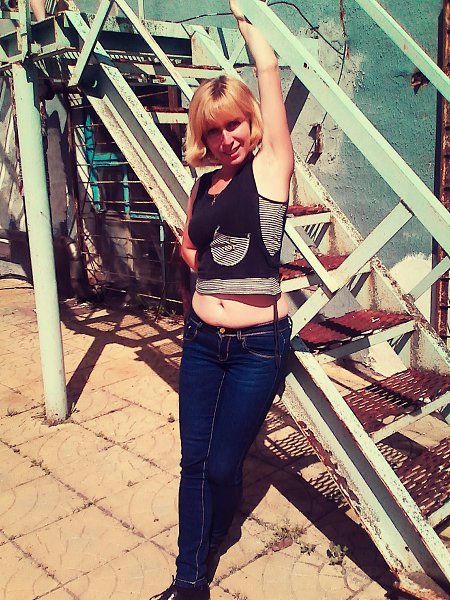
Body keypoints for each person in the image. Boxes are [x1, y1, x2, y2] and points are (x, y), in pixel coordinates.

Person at [158, 1, 294, 598]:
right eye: (212, 130)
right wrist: (199, 263)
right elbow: (192, 247)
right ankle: (189, 579)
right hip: (200, 342)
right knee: (192, 463)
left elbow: (269, 72)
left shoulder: (269, 170)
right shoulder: (202, 186)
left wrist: (246, 20)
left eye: (233, 124)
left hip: (256, 347)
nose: (225, 138)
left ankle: (216, 531)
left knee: (220, 465)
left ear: (250, 121)